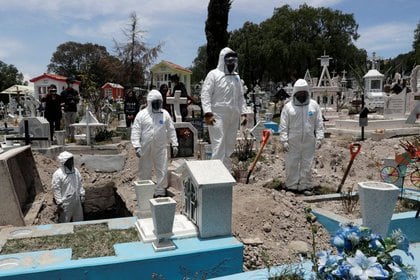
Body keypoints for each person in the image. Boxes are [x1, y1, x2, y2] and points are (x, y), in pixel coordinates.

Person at [200, 47, 247, 169]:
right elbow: (205, 94)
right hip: (217, 115)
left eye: (233, 61)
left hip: (234, 115)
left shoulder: (236, 76)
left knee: (230, 144)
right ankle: (216, 174)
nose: (231, 63)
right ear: (223, 60)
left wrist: (243, 113)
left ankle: (226, 171)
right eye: (229, 60)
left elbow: (240, 96)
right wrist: (208, 113)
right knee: (219, 144)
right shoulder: (214, 74)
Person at [279, 79, 324, 195]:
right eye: (299, 93)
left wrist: (319, 138)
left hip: (309, 140)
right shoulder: (288, 107)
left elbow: (319, 123)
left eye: (304, 93)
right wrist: (284, 140)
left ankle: (305, 186)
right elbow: (283, 125)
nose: (302, 95)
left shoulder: (314, 106)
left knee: (307, 163)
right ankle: (291, 185)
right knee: (292, 162)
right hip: (292, 141)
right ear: (295, 93)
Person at [130, 90, 179, 198]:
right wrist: (137, 146)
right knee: (145, 168)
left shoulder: (164, 114)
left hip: (160, 147)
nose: (157, 105)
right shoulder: (142, 115)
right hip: (145, 147)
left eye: (159, 102)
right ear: (149, 102)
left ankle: (160, 192)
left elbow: (171, 129)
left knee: (162, 168)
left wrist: (174, 143)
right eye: (155, 102)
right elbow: (136, 131)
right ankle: (145, 191)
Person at [52, 151, 85, 223]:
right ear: (64, 162)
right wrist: (59, 202)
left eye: (72, 160)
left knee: (79, 219)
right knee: (65, 221)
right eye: (69, 160)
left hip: (76, 200)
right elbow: (56, 188)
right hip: (66, 202)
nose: (71, 162)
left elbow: (80, 182)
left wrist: (82, 194)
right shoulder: (58, 174)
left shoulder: (75, 171)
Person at [60, 77, 80, 143]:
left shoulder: (75, 92)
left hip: (74, 110)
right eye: (70, 83)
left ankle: (73, 138)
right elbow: (61, 102)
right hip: (67, 110)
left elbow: (78, 100)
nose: (71, 84)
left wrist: (74, 101)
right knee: (67, 125)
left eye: (72, 83)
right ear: (67, 83)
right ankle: (67, 138)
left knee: (73, 125)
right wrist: (67, 102)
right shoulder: (63, 92)